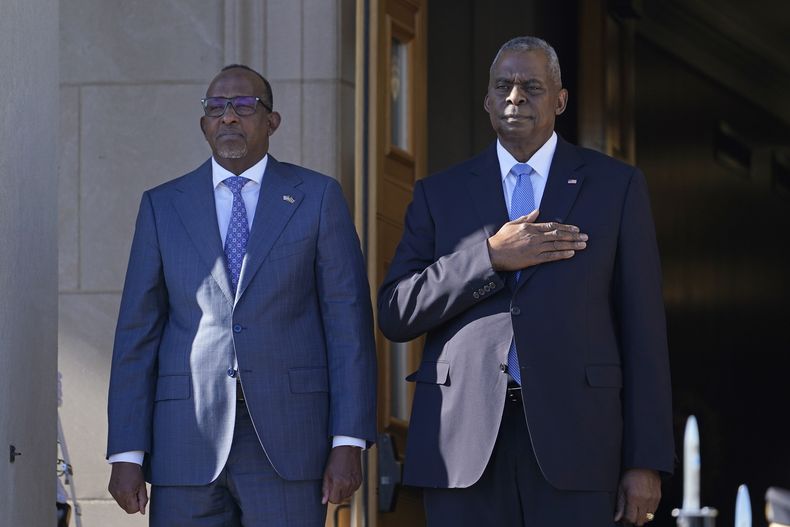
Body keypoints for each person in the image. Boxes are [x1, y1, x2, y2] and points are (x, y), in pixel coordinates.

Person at [378, 36, 673, 526]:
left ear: (560, 99)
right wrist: (490, 257)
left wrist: (646, 460)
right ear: (488, 101)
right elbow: (396, 311)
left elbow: (644, 331)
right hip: (461, 447)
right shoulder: (440, 193)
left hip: (578, 444)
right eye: (504, 86)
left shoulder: (615, 186)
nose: (516, 97)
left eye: (532, 86)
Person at [106, 64, 377, 527]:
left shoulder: (317, 197)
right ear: (203, 124)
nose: (229, 117)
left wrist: (347, 440)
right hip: (184, 442)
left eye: (244, 105)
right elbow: (137, 331)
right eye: (216, 108)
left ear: (272, 121)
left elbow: (347, 327)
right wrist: (127, 449)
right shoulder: (162, 205)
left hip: (288, 441)